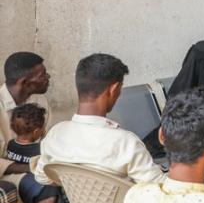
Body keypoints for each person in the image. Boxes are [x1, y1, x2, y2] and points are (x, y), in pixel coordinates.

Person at [34, 53, 166, 186]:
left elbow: (42, 177)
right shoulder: (126, 143)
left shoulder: (56, 133)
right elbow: (161, 189)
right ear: (113, 90)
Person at [0, 52, 58, 203]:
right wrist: (32, 168)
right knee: (43, 185)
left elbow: (47, 140)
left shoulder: (39, 101)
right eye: (42, 74)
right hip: (6, 172)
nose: (48, 77)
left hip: (34, 166)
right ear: (24, 82)